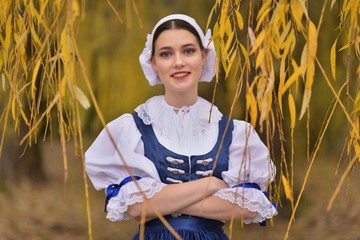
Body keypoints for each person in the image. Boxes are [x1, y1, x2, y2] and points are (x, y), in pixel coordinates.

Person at [85, 14, 277, 240]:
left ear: (204, 55)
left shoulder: (235, 133)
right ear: (153, 62)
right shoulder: (132, 129)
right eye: (166, 54)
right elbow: (137, 209)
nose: (178, 62)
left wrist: (161, 202)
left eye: (188, 51)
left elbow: (248, 207)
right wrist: (211, 184)